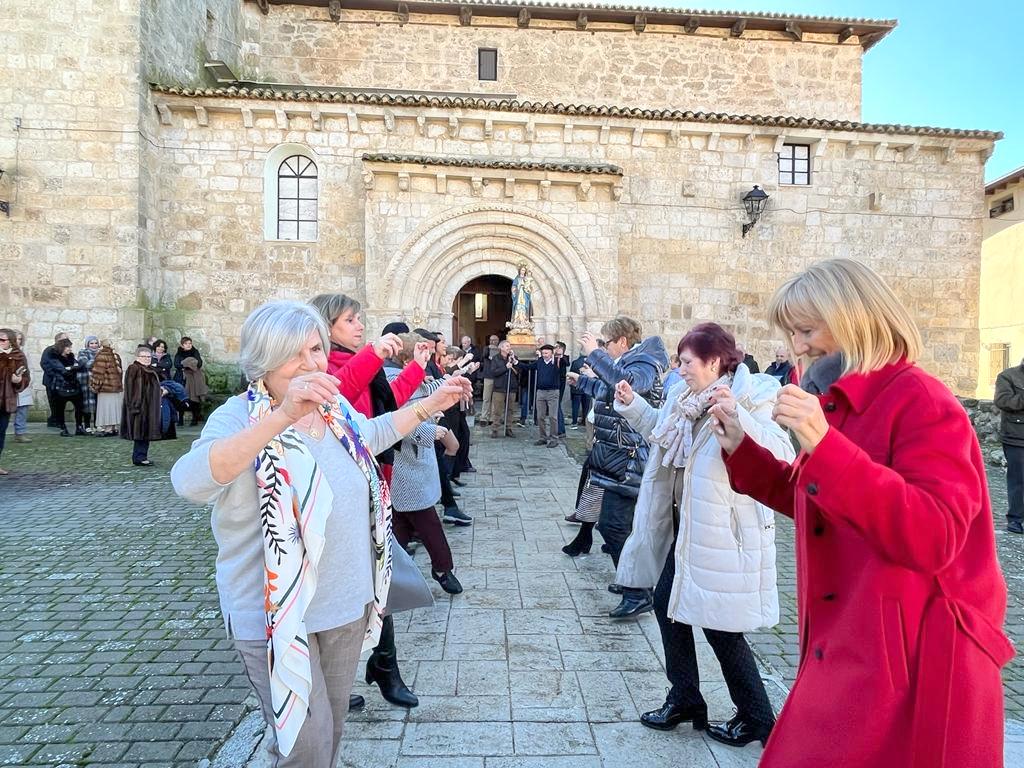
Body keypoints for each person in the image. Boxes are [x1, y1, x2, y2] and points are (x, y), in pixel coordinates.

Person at [711, 259, 1012, 764]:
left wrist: (826, 447)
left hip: (915, 659)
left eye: (806, 330)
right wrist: (745, 449)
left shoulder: (923, 401)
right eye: (791, 333)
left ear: (855, 320)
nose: (796, 347)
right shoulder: (839, 404)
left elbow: (934, 534)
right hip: (850, 638)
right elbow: (823, 500)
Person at [171, 301, 468, 765]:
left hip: (345, 604)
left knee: (328, 732)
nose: (312, 363)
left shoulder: (332, 408)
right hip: (273, 617)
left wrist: (431, 404)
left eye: (316, 349)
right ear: (264, 360)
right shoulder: (238, 417)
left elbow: (368, 435)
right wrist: (283, 415)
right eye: (296, 354)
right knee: (306, 746)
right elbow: (190, 481)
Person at [613, 322, 793, 747]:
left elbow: (783, 453)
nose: (679, 368)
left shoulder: (753, 394)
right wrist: (634, 405)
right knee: (667, 605)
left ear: (713, 362)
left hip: (724, 535)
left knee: (720, 626)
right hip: (686, 528)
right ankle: (687, 698)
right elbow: (663, 432)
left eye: (687, 361)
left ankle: (757, 718)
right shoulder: (682, 398)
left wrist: (738, 415)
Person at [311, 293, 433, 710]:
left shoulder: (359, 362)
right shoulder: (325, 367)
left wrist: (417, 366)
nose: (360, 325)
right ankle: (376, 668)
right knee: (366, 578)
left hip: (373, 482)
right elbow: (340, 393)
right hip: (343, 491)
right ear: (327, 326)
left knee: (376, 575)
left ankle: (372, 668)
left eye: (360, 318)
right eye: (350, 320)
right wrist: (372, 354)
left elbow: (386, 408)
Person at [565, 317, 667, 619]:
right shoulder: (630, 361)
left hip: (630, 456)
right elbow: (611, 390)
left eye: (606, 343)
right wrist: (582, 381)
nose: (604, 348)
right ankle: (633, 585)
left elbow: (627, 384)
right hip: (616, 455)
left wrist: (593, 354)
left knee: (614, 524)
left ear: (622, 341)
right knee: (618, 524)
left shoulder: (645, 363)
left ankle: (638, 590)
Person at [385, 333, 466, 594]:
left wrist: (453, 380)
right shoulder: (391, 378)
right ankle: (443, 569)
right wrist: (432, 432)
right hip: (405, 463)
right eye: (424, 352)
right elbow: (394, 421)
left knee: (401, 525)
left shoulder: (410, 375)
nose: (429, 357)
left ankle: (387, 574)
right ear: (409, 357)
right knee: (427, 521)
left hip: (416, 463)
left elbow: (427, 391)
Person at [995, 356, 1024, 534]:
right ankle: (1015, 519)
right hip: (1016, 437)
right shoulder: (1008, 376)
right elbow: (1003, 401)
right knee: (1019, 480)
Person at [122, 344, 162, 465]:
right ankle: (139, 458)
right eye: (144, 356)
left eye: (149, 356)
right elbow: (132, 389)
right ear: (137, 357)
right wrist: (135, 406)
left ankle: (141, 456)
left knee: (145, 434)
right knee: (140, 433)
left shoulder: (148, 369)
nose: (147, 359)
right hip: (140, 408)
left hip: (149, 407)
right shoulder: (134, 369)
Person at [0, 329, 30, 476]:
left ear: (10, 341)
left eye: (3, 340)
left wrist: (18, 381)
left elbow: (25, 378)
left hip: (5, 400)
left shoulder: (18, 356)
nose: (0, 342)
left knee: (0, 432)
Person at [44, 338, 85, 437]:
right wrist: (71, 368)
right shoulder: (54, 358)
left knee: (79, 407)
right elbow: (62, 370)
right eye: (68, 347)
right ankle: (63, 428)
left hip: (73, 384)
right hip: (60, 385)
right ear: (62, 347)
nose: (70, 349)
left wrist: (71, 368)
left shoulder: (71, 357)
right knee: (60, 408)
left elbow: (79, 366)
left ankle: (79, 427)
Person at [526, 344, 560, 447]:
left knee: (553, 416)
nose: (544, 355)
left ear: (551, 353)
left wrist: (558, 356)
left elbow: (565, 363)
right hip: (540, 392)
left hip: (553, 392)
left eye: (546, 353)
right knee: (540, 416)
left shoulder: (556, 361)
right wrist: (516, 362)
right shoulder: (540, 362)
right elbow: (529, 367)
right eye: (543, 353)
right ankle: (543, 437)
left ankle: (554, 438)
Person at [483, 341, 519, 438]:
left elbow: (519, 371)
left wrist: (514, 362)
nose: (509, 348)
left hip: (511, 387)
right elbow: (494, 372)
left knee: (510, 409)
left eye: (509, 346)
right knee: (497, 410)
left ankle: (508, 428)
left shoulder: (513, 358)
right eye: (507, 346)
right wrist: (505, 367)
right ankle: (495, 429)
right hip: (499, 388)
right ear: (501, 348)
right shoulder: (495, 358)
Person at [91, 339, 124, 437]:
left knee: (106, 408)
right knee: (114, 408)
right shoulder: (116, 356)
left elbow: (98, 374)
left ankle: (108, 429)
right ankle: (114, 428)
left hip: (106, 387)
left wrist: (95, 386)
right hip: (116, 387)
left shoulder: (101, 356)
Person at [40, 332, 69, 429]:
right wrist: (55, 374)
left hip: (62, 381)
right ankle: (54, 420)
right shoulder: (49, 350)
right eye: (64, 339)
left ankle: (59, 420)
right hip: (51, 381)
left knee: (60, 402)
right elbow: (44, 364)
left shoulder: (66, 351)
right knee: (53, 401)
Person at [174, 337, 203, 424]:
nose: (188, 345)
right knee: (180, 397)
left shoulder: (195, 352)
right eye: (186, 343)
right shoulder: (179, 353)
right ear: (182, 345)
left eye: (190, 343)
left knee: (194, 398)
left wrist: (186, 364)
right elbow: (177, 364)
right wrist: (189, 364)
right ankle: (181, 419)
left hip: (193, 377)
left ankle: (195, 419)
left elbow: (199, 363)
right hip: (181, 377)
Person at [13, 331, 32, 443]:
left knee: (22, 409)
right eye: (16, 339)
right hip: (9, 386)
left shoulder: (24, 353)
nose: (18, 341)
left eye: (20, 339)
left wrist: (29, 381)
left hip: (23, 385)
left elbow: (30, 368)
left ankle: (20, 433)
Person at [77, 336, 100, 432]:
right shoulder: (83, 352)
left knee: (97, 403)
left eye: (95, 343)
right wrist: (99, 359)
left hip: (98, 381)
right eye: (91, 343)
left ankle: (96, 424)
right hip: (85, 381)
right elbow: (86, 364)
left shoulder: (100, 353)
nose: (94, 345)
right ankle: (87, 425)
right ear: (87, 344)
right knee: (86, 403)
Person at [478, 334, 500, 427]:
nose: (492, 342)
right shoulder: (486, 348)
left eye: (494, 340)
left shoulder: (500, 350)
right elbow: (484, 356)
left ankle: (492, 418)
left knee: (495, 399)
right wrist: (489, 349)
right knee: (486, 398)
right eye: (491, 340)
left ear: (498, 341)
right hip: (488, 376)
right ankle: (484, 417)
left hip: (497, 377)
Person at [568, 346, 591, 428]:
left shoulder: (575, 362)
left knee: (575, 406)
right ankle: (584, 421)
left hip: (577, 388)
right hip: (587, 387)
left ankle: (574, 422)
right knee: (586, 406)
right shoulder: (590, 362)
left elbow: (571, 375)